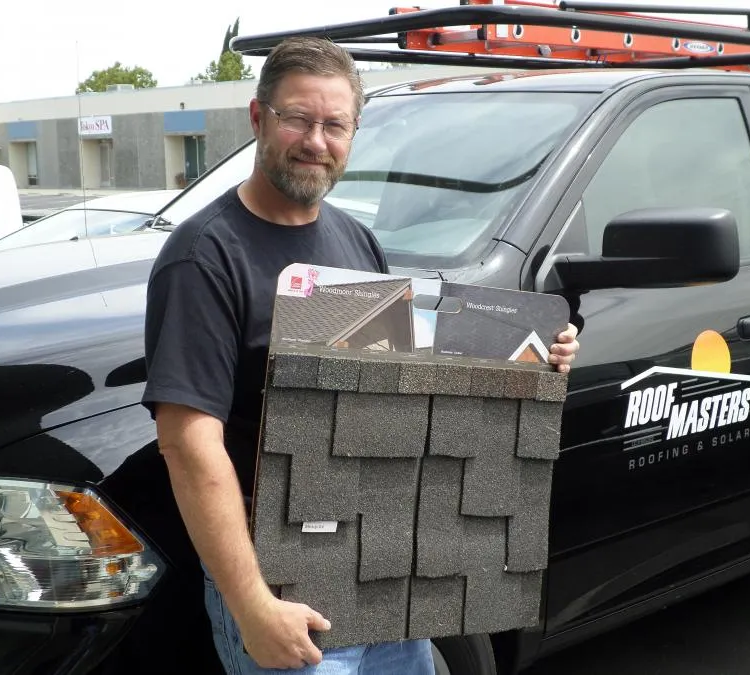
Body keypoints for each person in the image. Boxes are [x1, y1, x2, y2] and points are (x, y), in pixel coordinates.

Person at [141, 36, 580, 675]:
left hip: (377, 577)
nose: (316, 141)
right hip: (285, 590)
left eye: (334, 125)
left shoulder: (354, 241)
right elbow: (187, 444)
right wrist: (253, 606)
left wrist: (531, 360)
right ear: (259, 118)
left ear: (353, 133)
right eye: (298, 118)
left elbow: (400, 394)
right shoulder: (204, 256)